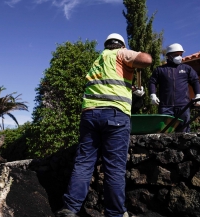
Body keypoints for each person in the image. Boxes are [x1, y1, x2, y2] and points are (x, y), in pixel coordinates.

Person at [55, 33, 152, 217]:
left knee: (83, 163)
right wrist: (136, 54)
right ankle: (115, 213)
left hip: (89, 115)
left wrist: (132, 91)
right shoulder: (121, 54)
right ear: (121, 46)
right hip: (115, 115)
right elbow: (146, 59)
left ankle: (70, 209)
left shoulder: (98, 60)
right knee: (114, 167)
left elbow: (108, 86)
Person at [148, 43, 200, 132]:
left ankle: (184, 146)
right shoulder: (160, 70)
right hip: (165, 107)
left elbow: (195, 80)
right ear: (169, 56)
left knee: (184, 132)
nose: (179, 57)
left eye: (180, 54)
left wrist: (198, 94)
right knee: (164, 132)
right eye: (176, 55)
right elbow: (152, 82)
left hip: (183, 106)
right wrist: (152, 94)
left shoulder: (187, 69)